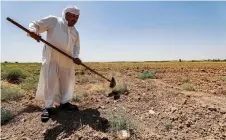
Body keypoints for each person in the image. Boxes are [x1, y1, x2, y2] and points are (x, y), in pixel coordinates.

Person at [28, 5, 82, 122]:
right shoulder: (54, 21)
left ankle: (65, 103)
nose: (75, 19)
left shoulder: (75, 32)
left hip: (67, 61)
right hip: (52, 58)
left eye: (77, 17)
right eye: (73, 16)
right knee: (50, 81)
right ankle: (48, 107)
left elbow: (76, 47)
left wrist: (76, 57)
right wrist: (33, 31)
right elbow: (35, 24)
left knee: (66, 83)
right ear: (66, 14)